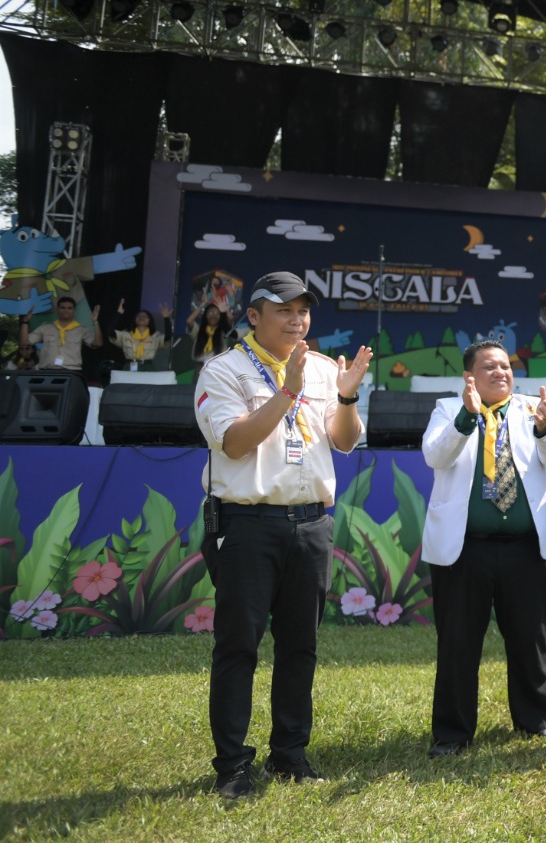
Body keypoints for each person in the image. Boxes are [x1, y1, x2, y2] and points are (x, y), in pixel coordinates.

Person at [192, 272, 372, 798]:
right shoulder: (221, 372)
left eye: (304, 312)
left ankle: (290, 754)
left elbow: (342, 442)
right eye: (284, 311)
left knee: (300, 646)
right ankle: (232, 767)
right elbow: (234, 443)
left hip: (312, 523)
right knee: (238, 648)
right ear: (253, 317)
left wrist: (347, 397)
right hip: (247, 525)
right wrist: (287, 390)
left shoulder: (322, 369)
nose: (297, 321)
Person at [420, 340, 546, 757]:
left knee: (529, 639)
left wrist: (544, 428)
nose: (501, 373)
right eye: (490, 367)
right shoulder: (448, 410)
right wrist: (469, 416)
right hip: (464, 551)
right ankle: (452, 735)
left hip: (525, 548)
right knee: (458, 643)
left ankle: (537, 723)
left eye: (506, 366)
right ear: (469, 376)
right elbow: (435, 456)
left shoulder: (529, 409)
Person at [21, 295, 102, 371]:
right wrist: (25, 321)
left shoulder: (81, 330)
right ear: (57, 309)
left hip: (71, 370)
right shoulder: (46, 327)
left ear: (74, 310)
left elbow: (97, 344)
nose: (66, 310)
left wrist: (95, 322)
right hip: (47, 370)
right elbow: (25, 342)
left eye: (69, 308)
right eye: (62, 308)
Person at [109, 299, 173, 371]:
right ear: (135, 320)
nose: (141, 317)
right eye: (139, 316)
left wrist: (166, 318)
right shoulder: (126, 335)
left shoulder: (155, 337)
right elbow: (109, 331)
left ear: (150, 321)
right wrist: (119, 313)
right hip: (129, 367)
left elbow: (168, 337)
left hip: (147, 367)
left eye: (145, 316)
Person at [188, 303, 236, 369]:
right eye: (210, 313)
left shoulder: (223, 331)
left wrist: (226, 310)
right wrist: (202, 305)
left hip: (218, 366)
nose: (213, 316)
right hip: (201, 366)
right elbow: (189, 321)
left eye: (217, 313)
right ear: (205, 315)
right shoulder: (199, 331)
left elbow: (231, 319)